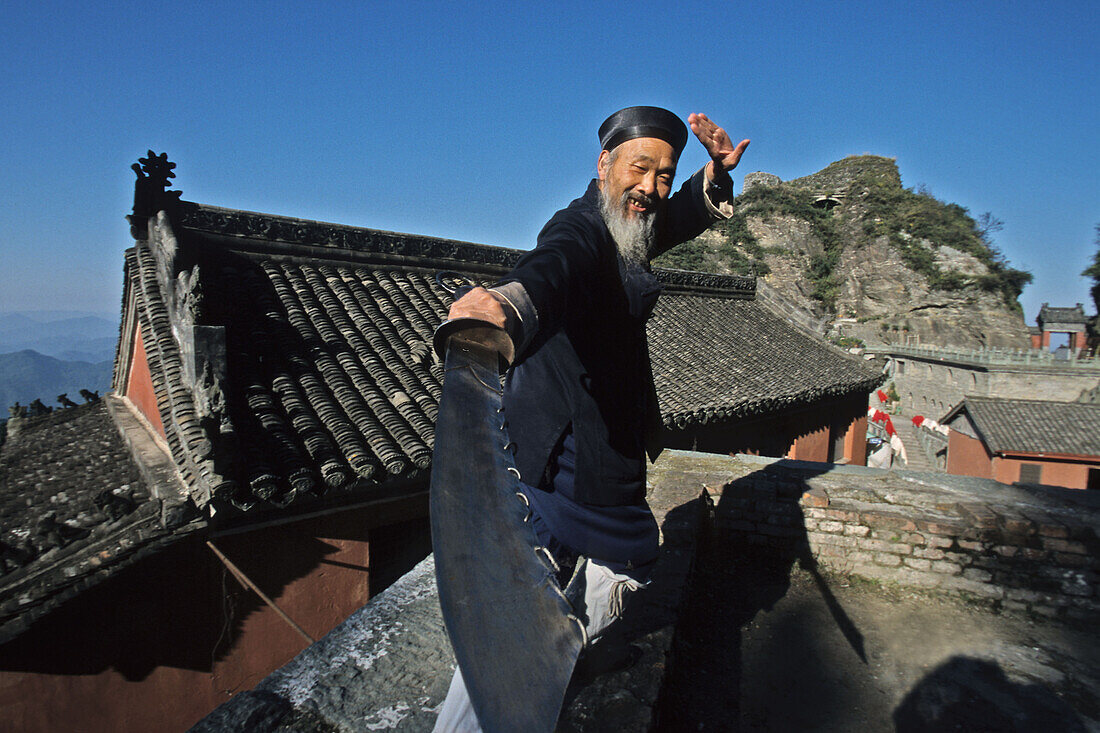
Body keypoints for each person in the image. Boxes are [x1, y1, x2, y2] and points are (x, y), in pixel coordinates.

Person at [433, 106, 749, 731]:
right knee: (573, 581)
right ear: (604, 164)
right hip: (570, 450)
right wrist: (507, 306)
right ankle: (526, 680)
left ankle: (573, 651)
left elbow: (680, 215)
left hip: (593, 441)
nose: (652, 188)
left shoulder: (631, 222)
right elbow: (553, 265)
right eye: (641, 169)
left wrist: (714, 174)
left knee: (556, 571)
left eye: (664, 174)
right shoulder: (581, 228)